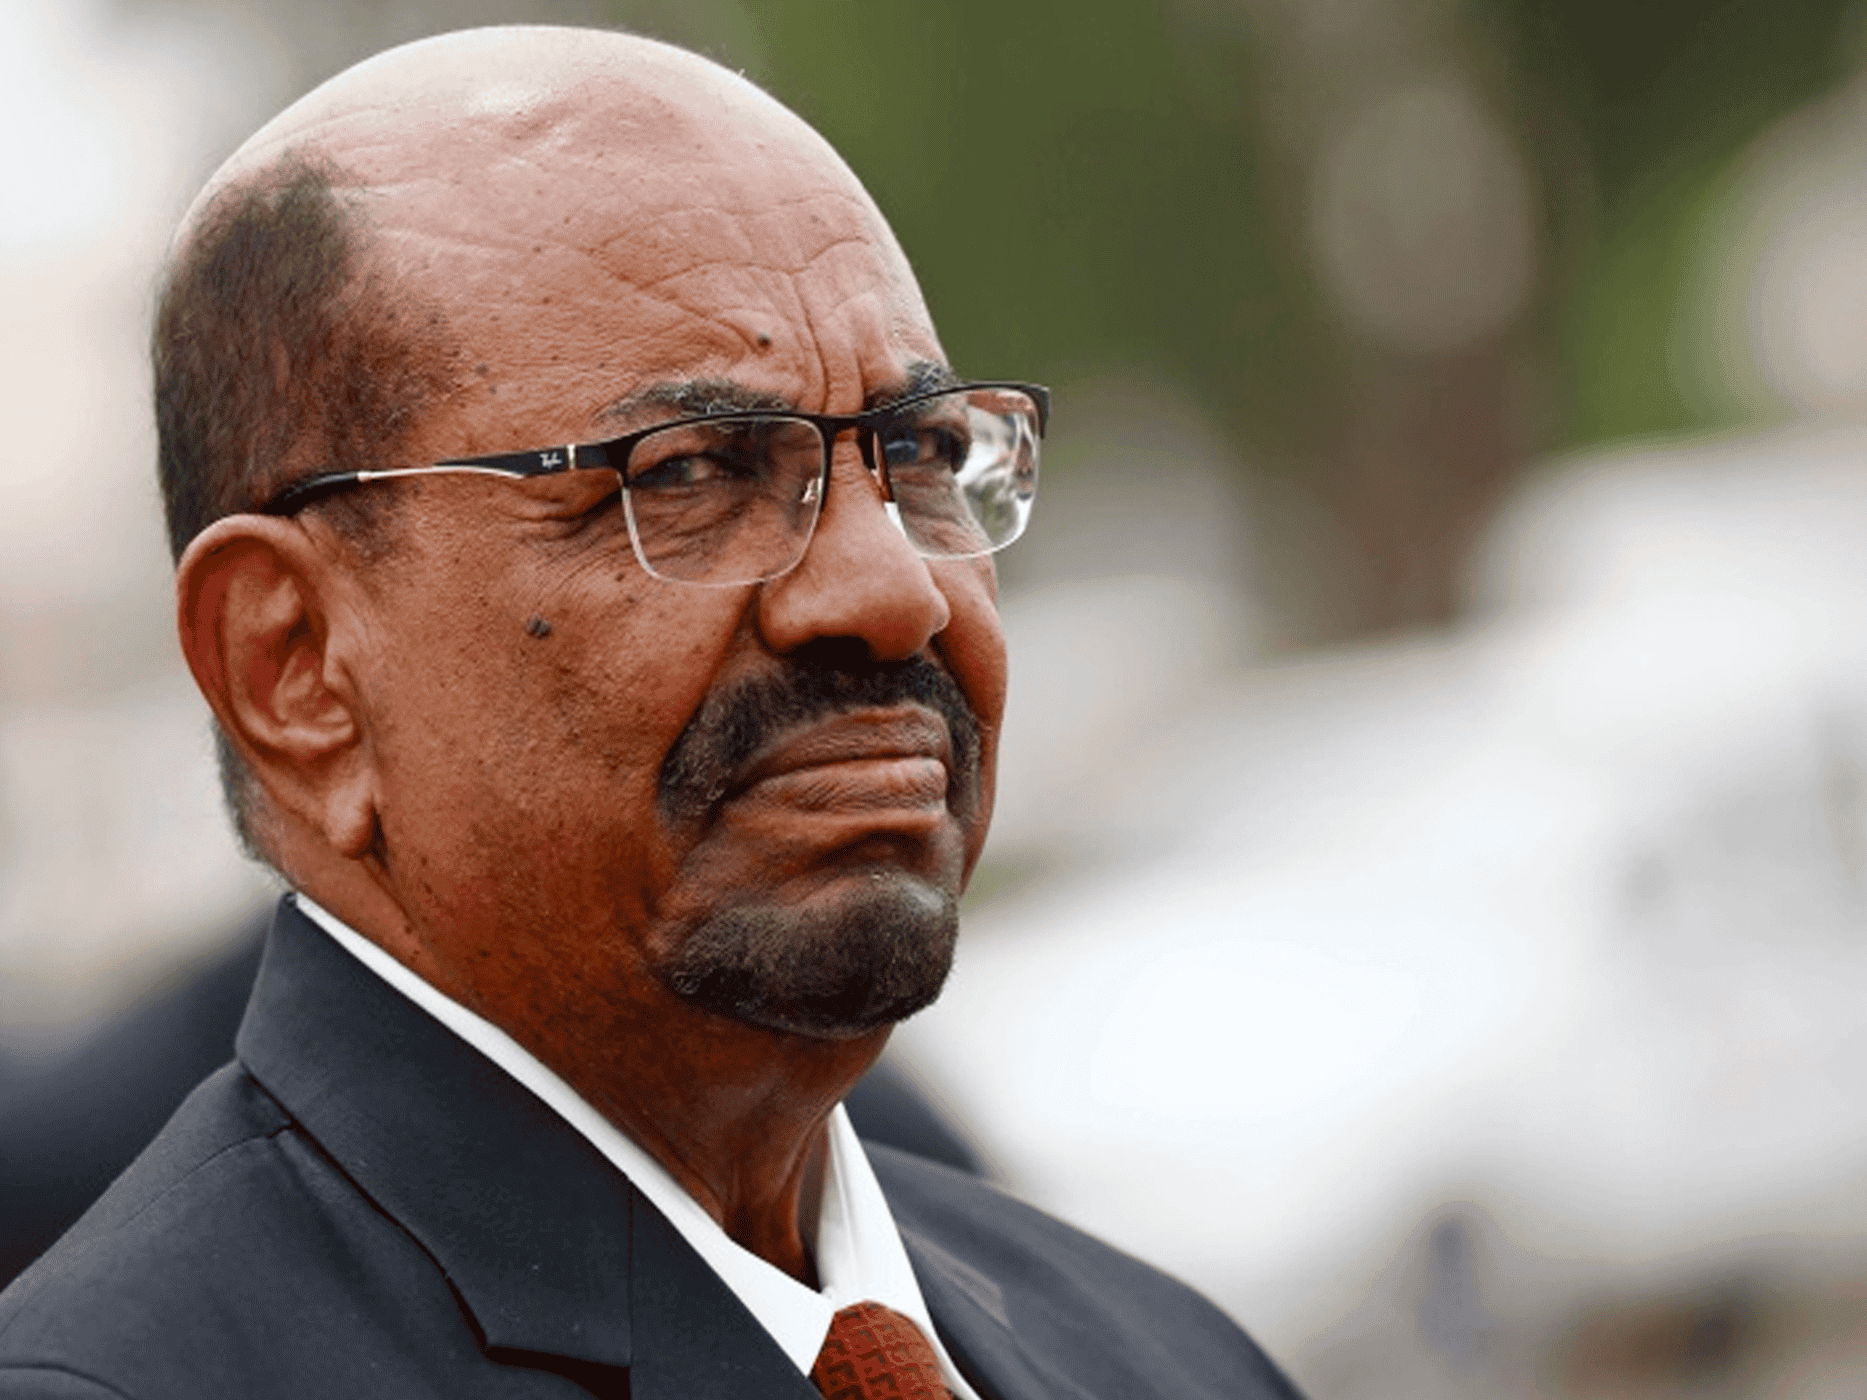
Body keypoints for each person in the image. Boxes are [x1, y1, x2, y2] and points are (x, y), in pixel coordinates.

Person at [0, 27, 1303, 1399]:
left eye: (917, 452)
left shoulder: (1163, 1356)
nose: (893, 592)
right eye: (689, 474)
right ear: (296, 668)